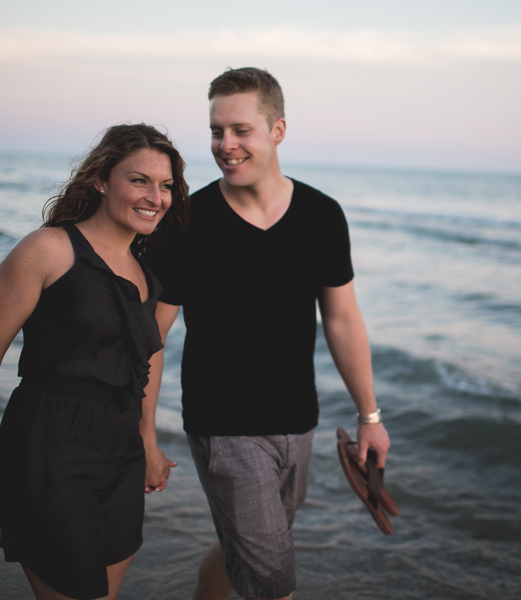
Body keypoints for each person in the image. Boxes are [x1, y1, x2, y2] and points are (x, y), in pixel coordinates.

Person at [149, 67, 390, 600]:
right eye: (216, 131)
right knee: (272, 581)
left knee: (255, 548)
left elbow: (343, 320)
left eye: (240, 131)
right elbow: (153, 335)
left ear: (278, 130)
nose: (225, 146)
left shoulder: (323, 216)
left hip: (298, 422)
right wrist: (141, 429)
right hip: (224, 425)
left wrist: (369, 416)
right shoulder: (189, 220)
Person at [0, 123, 189, 600]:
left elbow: (146, 363)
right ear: (100, 179)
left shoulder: (146, 270)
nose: (155, 197)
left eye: (165, 185)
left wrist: (148, 442)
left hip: (120, 456)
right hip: (48, 448)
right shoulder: (48, 249)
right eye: (139, 180)